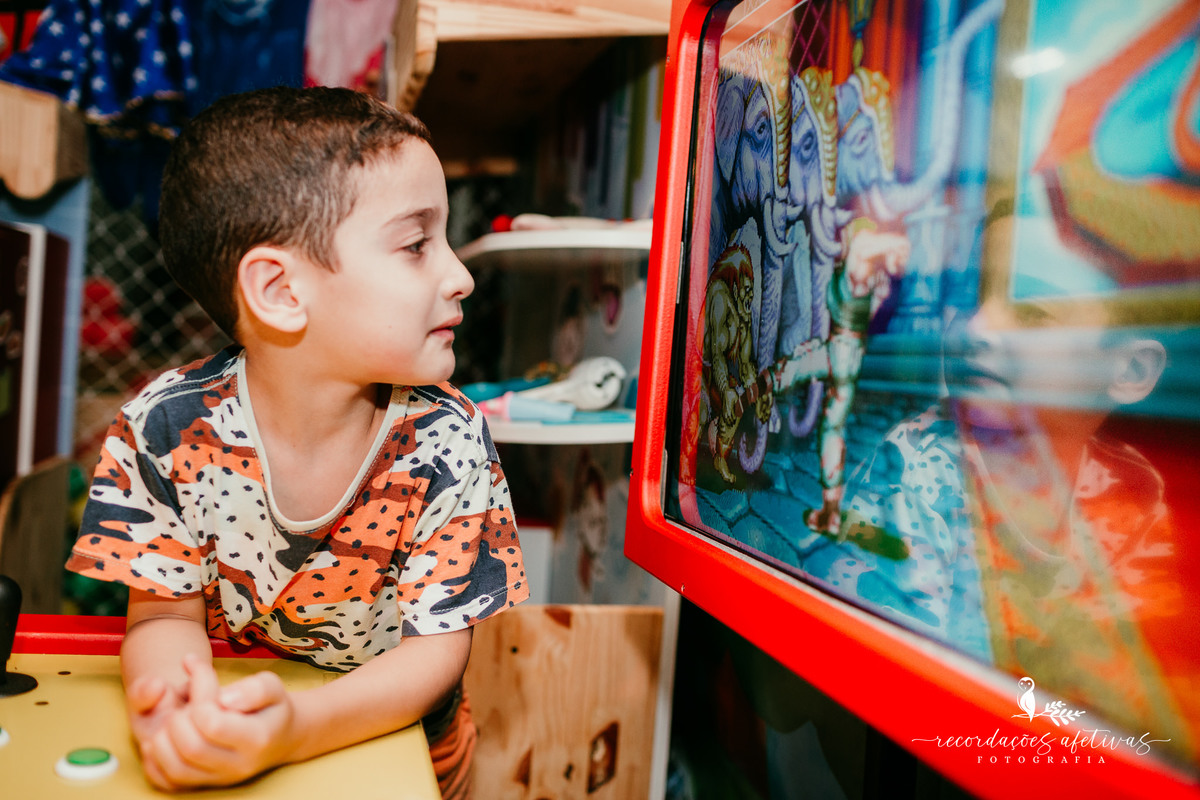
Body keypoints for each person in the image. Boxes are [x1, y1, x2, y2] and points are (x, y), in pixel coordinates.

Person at [66, 86, 530, 798]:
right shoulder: (160, 430)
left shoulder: (450, 436)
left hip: (408, 747)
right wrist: (180, 713)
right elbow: (162, 615)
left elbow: (435, 652)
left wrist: (296, 728)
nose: (460, 275)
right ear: (280, 290)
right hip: (247, 718)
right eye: (415, 244)